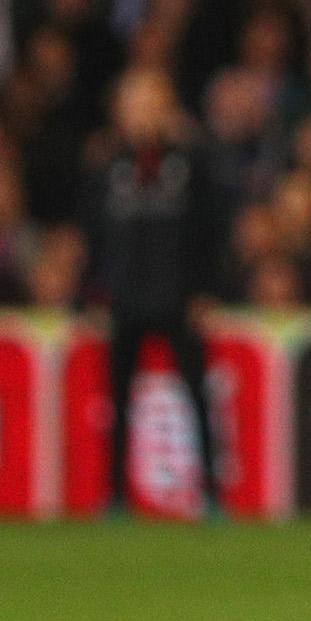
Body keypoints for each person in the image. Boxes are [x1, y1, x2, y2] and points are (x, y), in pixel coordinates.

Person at [86, 67, 223, 518]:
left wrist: (206, 289)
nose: (142, 113)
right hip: (125, 299)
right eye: (134, 104)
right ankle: (116, 496)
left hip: (178, 297)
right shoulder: (108, 168)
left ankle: (210, 493)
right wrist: (94, 292)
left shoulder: (192, 165)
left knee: (196, 395)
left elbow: (211, 229)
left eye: (151, 103)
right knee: (119, 400)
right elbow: (95, 237)